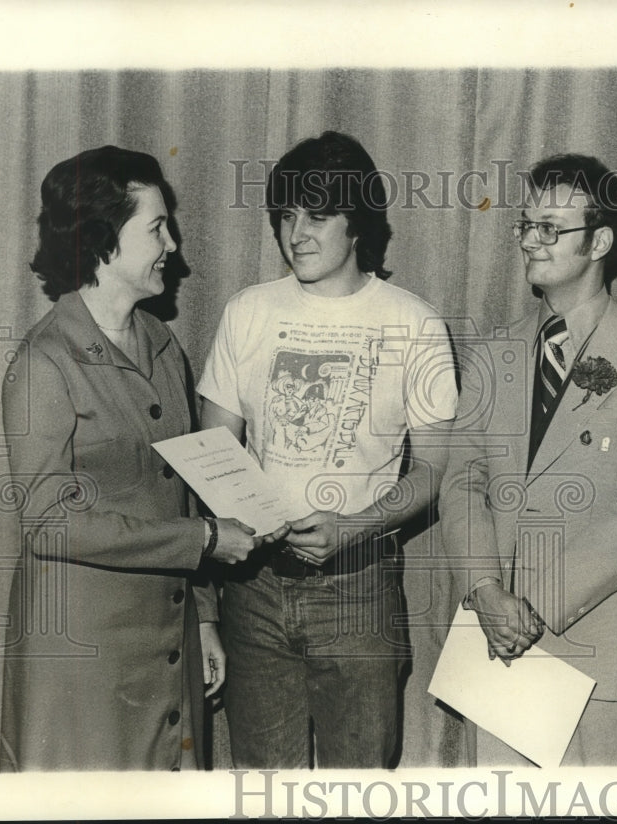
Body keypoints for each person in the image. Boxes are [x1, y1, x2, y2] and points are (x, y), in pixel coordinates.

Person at [198, 131, 457, 768]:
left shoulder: (414, 323)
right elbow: (209, 459)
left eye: (317, 215)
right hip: (253, 588)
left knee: (359, 791)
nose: (296, 234)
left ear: (358, 222)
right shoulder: (247, 312)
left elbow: (433, 473)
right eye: (285, 216)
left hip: (358, 588)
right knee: (262, 793)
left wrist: (354, 528)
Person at [0, 146, 260, 771]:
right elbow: (49, 522)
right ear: (103, 241)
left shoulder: (162, 344)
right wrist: (200, 539)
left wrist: (203, 618)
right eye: (157, 228)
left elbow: (183, 487)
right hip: (81, 653)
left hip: (167, 643)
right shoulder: (44, 363)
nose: (173, 244)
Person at [439, 153, 617, 766]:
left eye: (551, 228)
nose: (530, 240)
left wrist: (529, 607)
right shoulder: (494, 353)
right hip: (496, 634)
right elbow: (463, 482)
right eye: (526, 225)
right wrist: (488, 593)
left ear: (600, 241)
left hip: (592, 641)